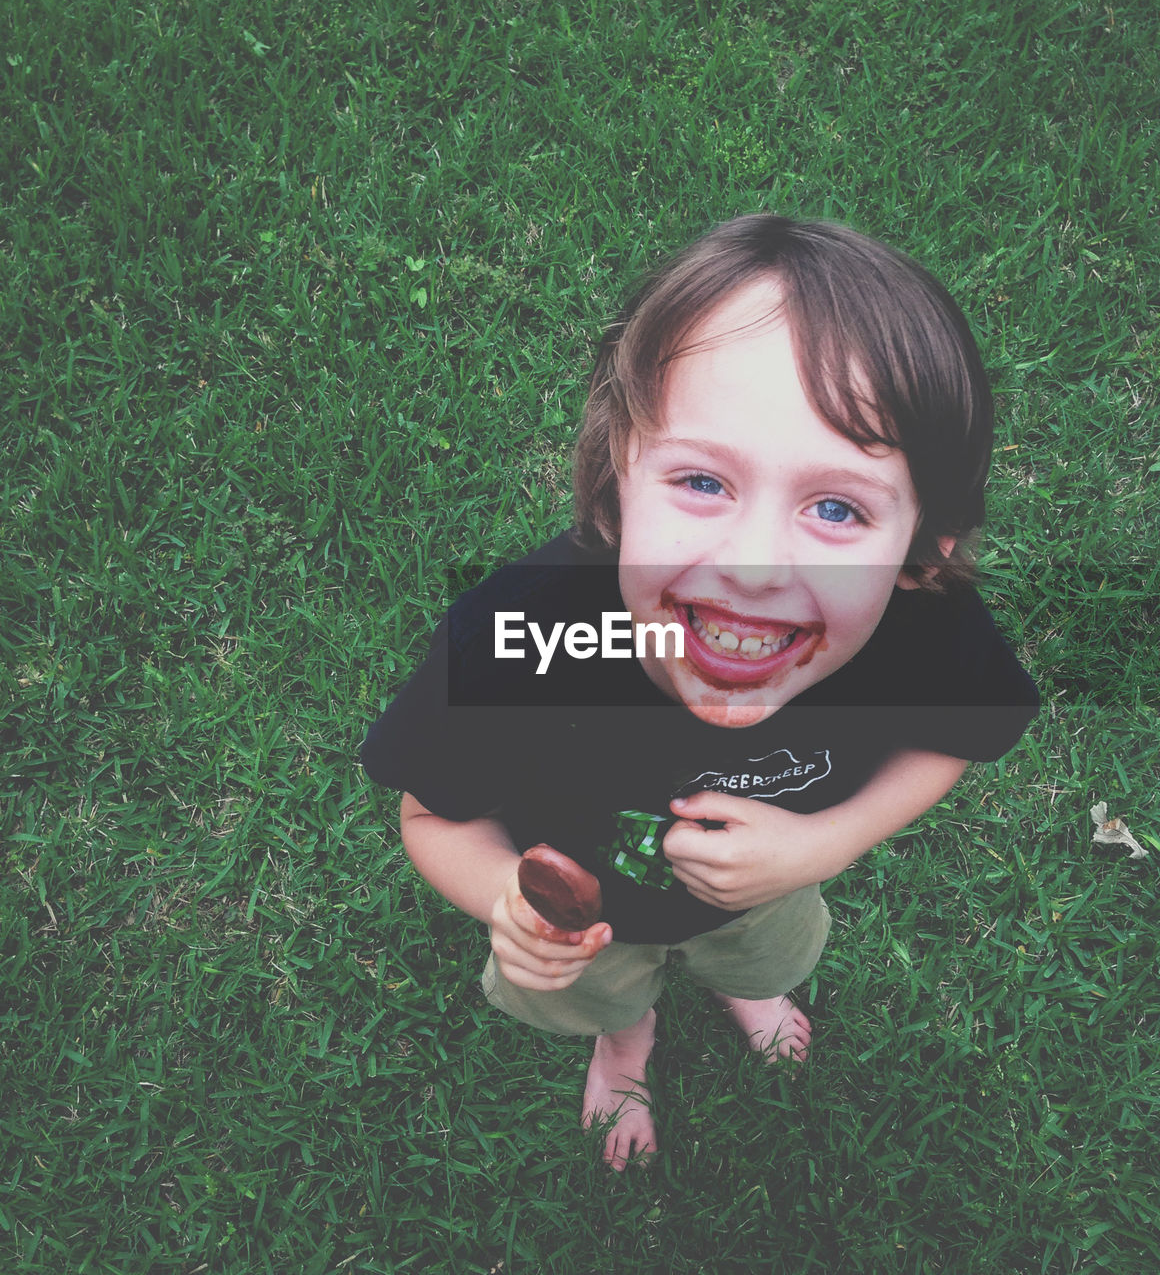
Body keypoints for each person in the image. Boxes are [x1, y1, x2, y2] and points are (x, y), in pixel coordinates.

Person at [361, 215, 1038, 1171]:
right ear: (616, 481)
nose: (755, 569)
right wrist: (510, 902)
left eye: (837, 508)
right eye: (703, 481)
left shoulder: (919, 624)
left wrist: (827, 839)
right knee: (603, 992)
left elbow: (961, 734)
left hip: (767, 891)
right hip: (588, 932)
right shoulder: (517, 639)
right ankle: (625, 1042)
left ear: (926, 553)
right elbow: (430, 815)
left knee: (764, 952)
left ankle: (741, 986)